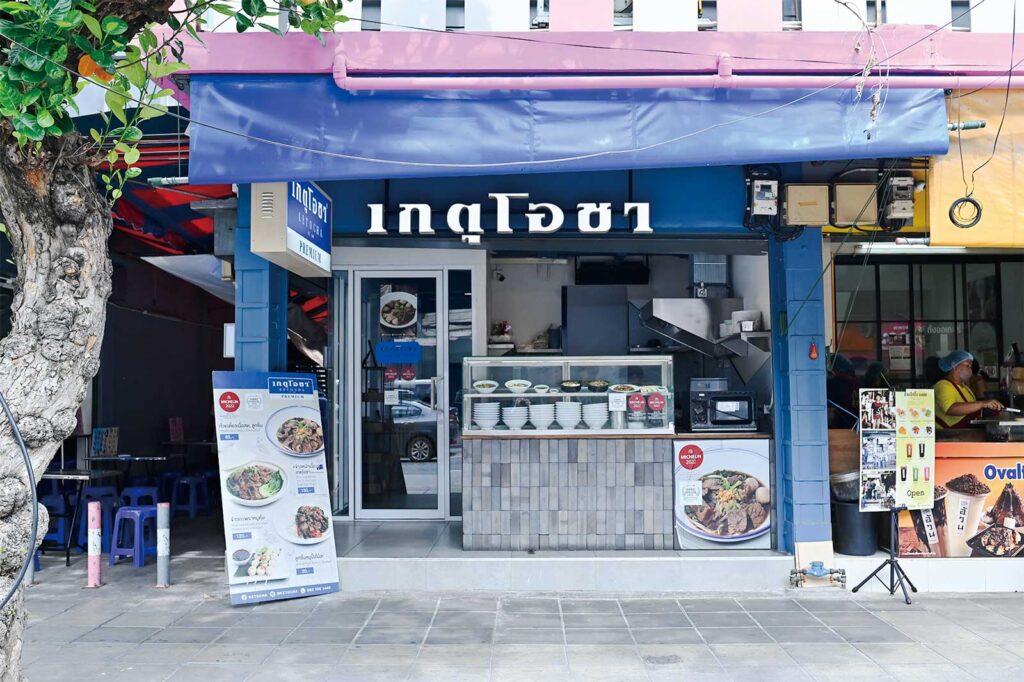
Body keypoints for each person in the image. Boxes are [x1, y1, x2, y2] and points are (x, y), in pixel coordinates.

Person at [934, 350, 1003, 429]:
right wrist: (982, 404)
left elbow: (972, 410)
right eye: (967, 365)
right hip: (948, 434)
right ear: (954, 366)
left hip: (964, 432)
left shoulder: (966, 388)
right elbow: (950, 409)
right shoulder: (943, 385)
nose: (970, 369)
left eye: (971, 366)